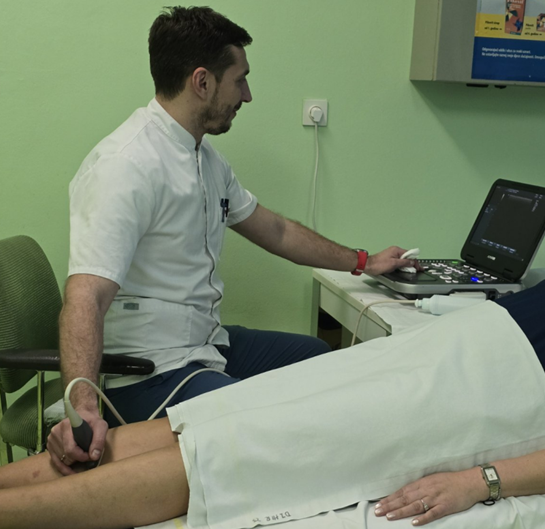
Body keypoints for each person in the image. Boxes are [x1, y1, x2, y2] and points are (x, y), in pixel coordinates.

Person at [0, 276, 545, 529]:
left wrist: (482, 480)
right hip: (449, 349)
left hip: (483, 396)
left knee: (244, 450)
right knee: (214, 416)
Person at [48, 6, 416, 475]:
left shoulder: (205, 160)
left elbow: (276, 230)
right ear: (202, 82)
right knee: (258, 428)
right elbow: (85, 296)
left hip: (204, 344)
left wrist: (364, 260)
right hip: (147, 371)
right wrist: (82, 409)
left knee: (322, 361)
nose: (247, 94)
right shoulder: (125, 166)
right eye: (239, 80)